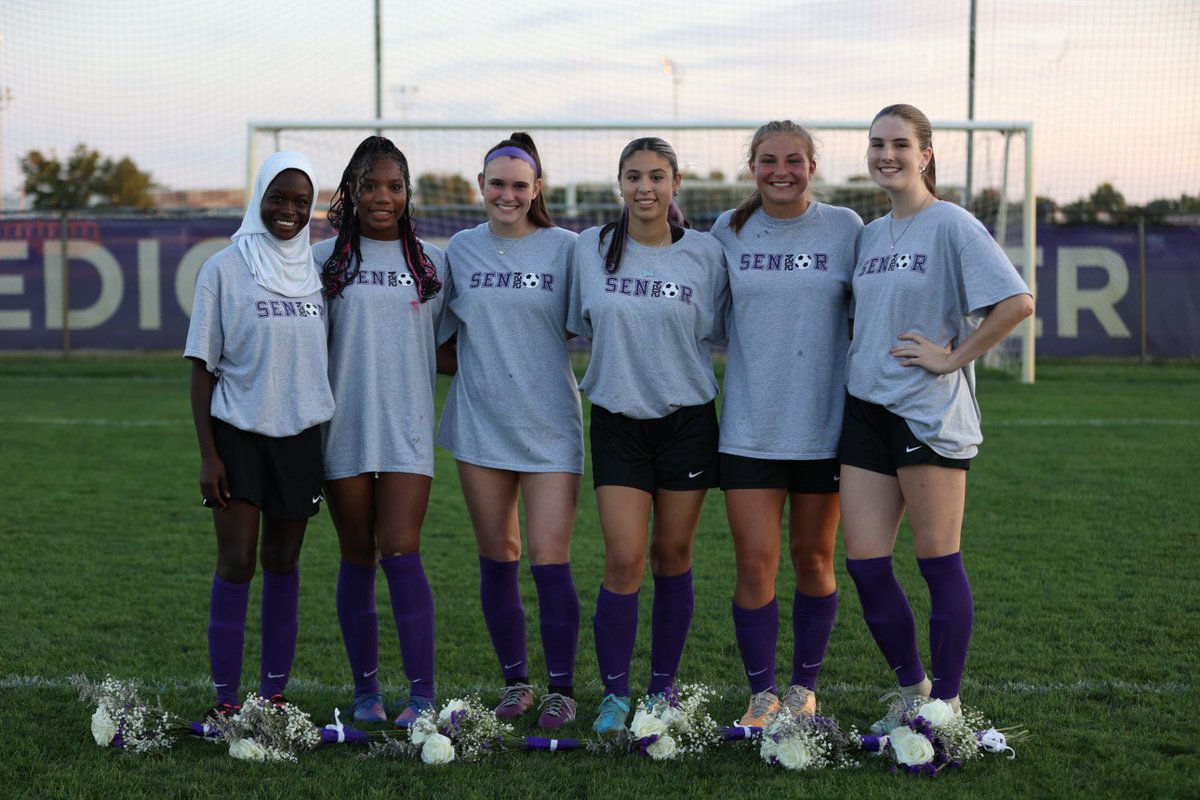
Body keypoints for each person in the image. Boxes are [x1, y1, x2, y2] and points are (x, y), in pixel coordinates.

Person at [839, 104, 1034, 731]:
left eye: (899, 144)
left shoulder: (951, 224)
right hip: (866, 412)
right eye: (876, 144)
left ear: (925, 153)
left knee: (936, 560)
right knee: (866, 564)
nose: (885, 155)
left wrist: (953, 359)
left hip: (927, 416)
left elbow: (1016, 302)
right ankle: (913, 687)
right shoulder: (869, 234)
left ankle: (945, 704)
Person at [567, 137, 729, 734]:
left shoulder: (707, 255)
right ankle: (614, 695)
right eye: (633, 176)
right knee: (624, 559)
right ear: (619, 184)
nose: (645, 188)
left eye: (657, 176)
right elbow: (562, 325)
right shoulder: (590, 248)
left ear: (675, 184)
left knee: (673, 556)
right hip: (615, 421)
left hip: (687, 423)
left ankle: (662, 690)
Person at [709, 121, 863, 727]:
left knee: (814, 559)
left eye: (794, 160)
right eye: (769, 160)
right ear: (752, 166)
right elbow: (709, 318)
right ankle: (762, 693)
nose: (782, 170)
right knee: (754, 565)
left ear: (812, 166)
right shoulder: (729, 230)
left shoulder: (846, 229)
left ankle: (803, 690)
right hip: (750, 427)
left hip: (825, 428)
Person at [437, 133, 583, 730]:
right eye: (497, 183)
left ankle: (562, 689)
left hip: (550, 425)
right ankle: (517, 683)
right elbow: (440, 338)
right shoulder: (459, 251)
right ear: (481, 186)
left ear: (537, 189)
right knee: (498, 555)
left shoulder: (569, 249)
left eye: (520, 185)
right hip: (480, 424)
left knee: (551, 558)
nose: (508, 194)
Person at [185, 151, 333, 720]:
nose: (289, 211)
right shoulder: (225, 268)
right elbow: (202, 367)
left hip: (300, 436)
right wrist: (208, 455)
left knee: (283, 561)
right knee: (236, 562)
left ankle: (272, 697)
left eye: (301, 201)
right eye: (278, 197)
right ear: (259, 197)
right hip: (237, 434)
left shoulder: (320, 269)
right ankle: (226, 700)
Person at [314, 135, 448, 728]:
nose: (383, 197)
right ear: (352, 190)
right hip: (343, 427)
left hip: (408, 429)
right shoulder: (324, 262)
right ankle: (366, 691)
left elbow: (448, 350)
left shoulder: (431, 263)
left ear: (407, 192)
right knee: (356, 555)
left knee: (401, 549)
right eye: (371, 185)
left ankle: (421, 696)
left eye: (394, 186)